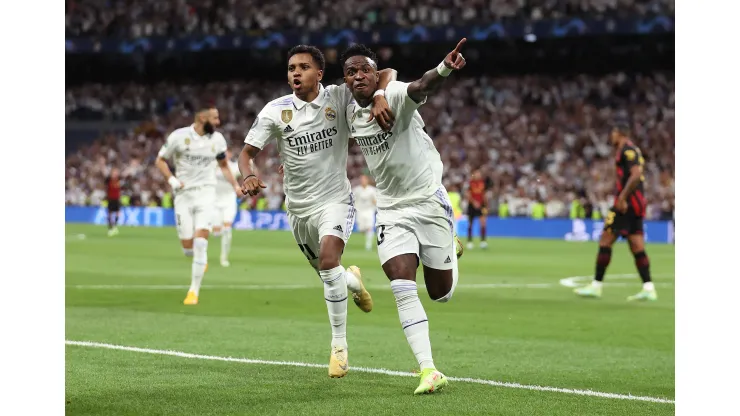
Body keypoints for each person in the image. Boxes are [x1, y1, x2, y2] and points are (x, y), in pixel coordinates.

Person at [238, 45, 397, 378]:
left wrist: (380, 96)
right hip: (298, 208)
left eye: (304, 67)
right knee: (330, 273)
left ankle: (339, 346)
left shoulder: (338, 97)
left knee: (328, 261)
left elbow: (384, 73)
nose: (295, 73)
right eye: (291, 67)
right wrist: (249, 175)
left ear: (319, 74)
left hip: (335, 199)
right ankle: (353, 281)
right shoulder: (275, 111)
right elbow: (246, 153)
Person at [341, 39, 466, 394]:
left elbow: (422, 84)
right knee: (400, 285)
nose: (359, 76)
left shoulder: (393, 93)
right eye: (351, 72)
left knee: (440, 294)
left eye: (366, 70)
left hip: (428, 202)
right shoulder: (347, 109)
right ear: (345, 80)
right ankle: (429, 369)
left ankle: (450, 246)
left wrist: (444, 67)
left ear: (375, 73)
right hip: (392, 208)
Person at [155, 105, 242, 306]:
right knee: (188, 248)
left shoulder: (218, 140)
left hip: (206, 194)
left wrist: (235, 186)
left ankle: (193, 291)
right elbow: (160, 160)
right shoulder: (178, 137)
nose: (218, 122)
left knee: (201, 243)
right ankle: (199, 261)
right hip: (183, 195)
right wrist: (171, 179)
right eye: (214, 118)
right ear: (202, 118)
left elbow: (223, 166)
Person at [574, 124, 657, 301]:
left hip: (627, 204)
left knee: (606, 239)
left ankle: (596, 285)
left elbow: (636, 175)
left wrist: (622, 197)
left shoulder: (628, 150)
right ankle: (649, 288)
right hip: (635, 203)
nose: (611, 137)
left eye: (612, 133)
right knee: (636, 244)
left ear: (620, 133)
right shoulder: (628, 150)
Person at [212, 149, 243, 267]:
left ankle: (224, 258)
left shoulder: (233, 167)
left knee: (227, 229)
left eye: (228, 152)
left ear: (230, 154)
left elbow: (244, 170)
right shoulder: (212, 166)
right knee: (216, 233)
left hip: (229, 200)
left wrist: (250, 164)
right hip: (214, 201)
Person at [353, 174, 377, 251]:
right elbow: (352, 199)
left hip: (369, 211)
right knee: (362, 230)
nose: (363, 181)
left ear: (367, 180)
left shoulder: (372, 190)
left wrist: (375, 202)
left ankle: (368, 245)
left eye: (364, 179)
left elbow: (376, 200)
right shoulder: (356, 190)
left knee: (370, 227)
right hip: (360, 211)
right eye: (361, 179)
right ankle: (364, 231)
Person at [466, 169, 488, 249]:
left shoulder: (482, 183)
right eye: (476, 173)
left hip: (481, 205)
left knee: (483, 222)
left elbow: (484, 195)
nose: (478, 175)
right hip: (472, 205)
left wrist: (486, 205)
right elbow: (468, 194)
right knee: (470, 223)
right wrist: (474, 202)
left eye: (479, 173)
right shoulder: (470, 183)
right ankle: (469, 242)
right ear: (473, 174)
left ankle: (483, 241)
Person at [105, 167, 122, 237]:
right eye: (114, 172)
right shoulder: (108, 180)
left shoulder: (119, 180)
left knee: (118, 213)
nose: (115, 174)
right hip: (110, 199)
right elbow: (106, 180)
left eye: (116, 172)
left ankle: (114, 226)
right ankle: (110, 228)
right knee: (109, 213)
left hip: (117, 199)